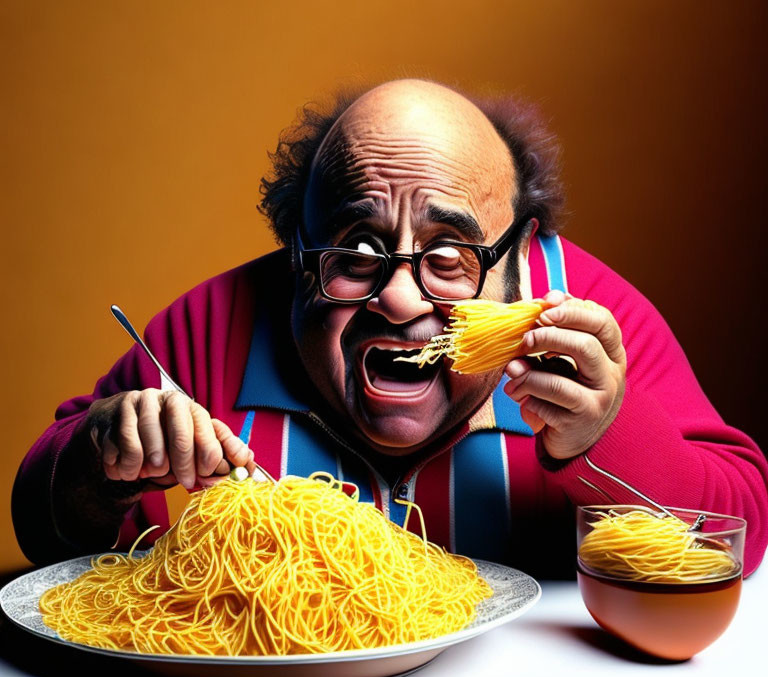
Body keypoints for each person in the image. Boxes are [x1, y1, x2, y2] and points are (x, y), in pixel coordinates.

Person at [12, 79, 768, 578]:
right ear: (298, 253)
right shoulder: (214, 325)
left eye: (450, 255)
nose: (400, 299)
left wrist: (610, 430)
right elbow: (48, 533)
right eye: (355, 252)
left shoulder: (590, 321)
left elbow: (740, 535)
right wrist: (95, 456)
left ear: (521, 256)